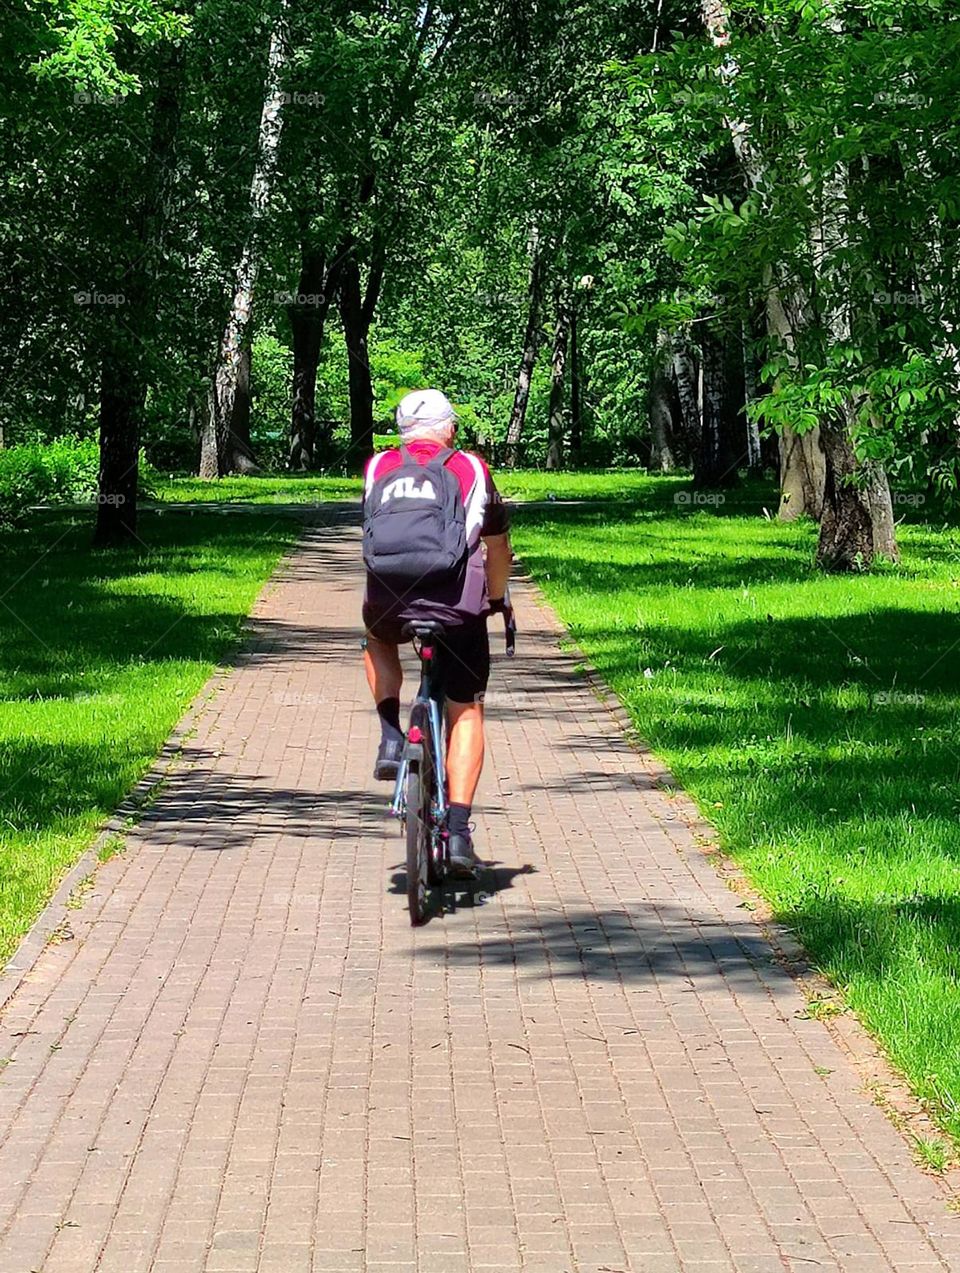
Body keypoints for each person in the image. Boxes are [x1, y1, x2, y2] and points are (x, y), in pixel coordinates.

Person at [361, 388, 512, 877]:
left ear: (402, 430)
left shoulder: (378, 467)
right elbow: (497, 546)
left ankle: (389, 735)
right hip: (455, 607)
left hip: (388, 599)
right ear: (449, 427)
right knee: (465, 708)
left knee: (379, 639)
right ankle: (461, 832)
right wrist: (494, 598)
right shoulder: (470, 468)